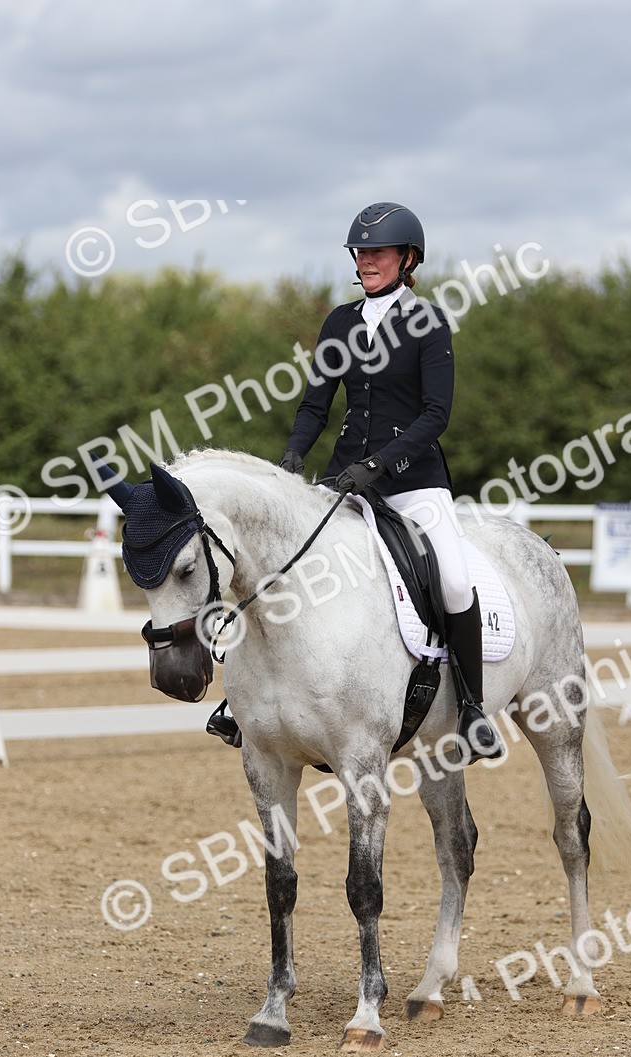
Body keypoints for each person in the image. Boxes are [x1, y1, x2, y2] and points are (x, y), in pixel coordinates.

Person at [208, 201, 502, 759]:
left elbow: (436, 414)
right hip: (343, 480)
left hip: (414, 481)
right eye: (361, 253)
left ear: (407, 258)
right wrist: (292, 456)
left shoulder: (429, 322)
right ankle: (247, 701)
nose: (367, 261)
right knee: (279, 568)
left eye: (378, 253)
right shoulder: (340, 323)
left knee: (457, 581)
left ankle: (471, 707)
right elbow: (315, 403)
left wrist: (383, 462)